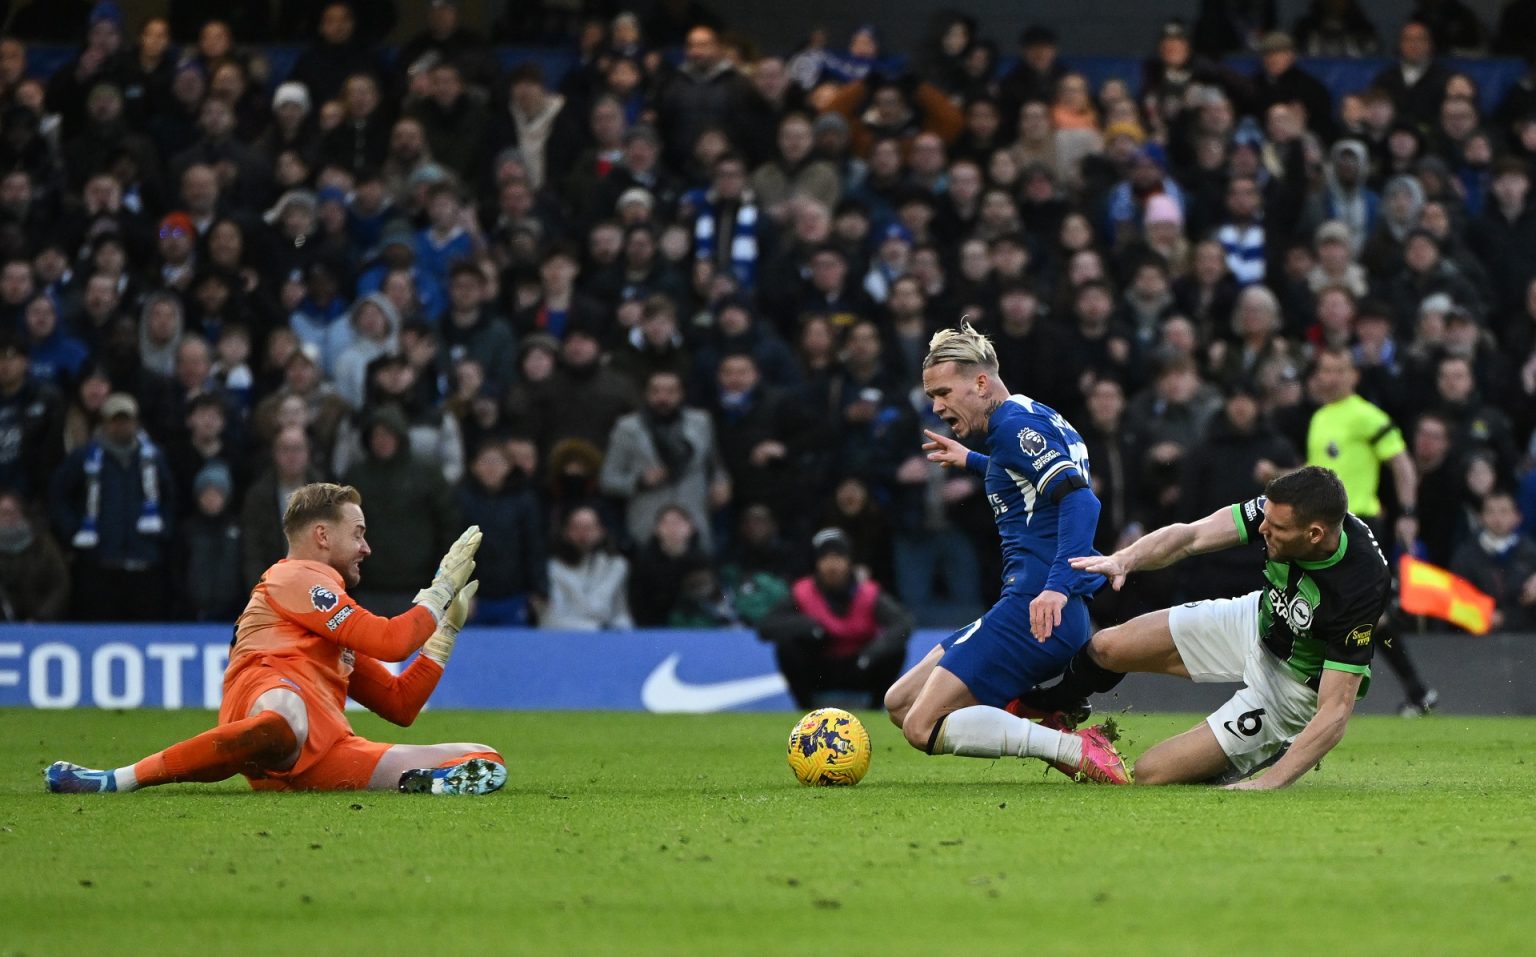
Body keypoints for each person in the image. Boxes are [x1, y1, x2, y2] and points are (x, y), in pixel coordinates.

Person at [45, 483, 505, 795]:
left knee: (484, 757)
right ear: (322, 535)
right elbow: (391, 642)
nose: (366, 548)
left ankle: (422, 784)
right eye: (358, 534)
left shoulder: (328, 622)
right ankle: (116, 779)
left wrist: (444, 635)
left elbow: (400, 704)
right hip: (270, 705)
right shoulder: (294, 577)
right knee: (287, 718)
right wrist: (438, 591)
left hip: (325, 752)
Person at [881, 323, 1130, 784]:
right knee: (899, 703)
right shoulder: (1029, 415)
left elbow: (1081, 499)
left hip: (1036, 609)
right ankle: (1038, 710)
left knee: (921, 726)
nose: (936, 407)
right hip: (1038, 607)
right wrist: (973, 461)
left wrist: (1056, 587)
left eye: (942, 392)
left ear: (980, 383)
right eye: (931, 396)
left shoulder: (1014, 428)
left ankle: (1070, 746)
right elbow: (1032, 481)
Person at [1051, 466, 1391, 789]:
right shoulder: (1281, 511)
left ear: (1314, 534)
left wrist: (1269, 783)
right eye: (1265, 518)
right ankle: (1053, 710)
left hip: (1293, 687)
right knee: (1107, 647)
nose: (1262, 529)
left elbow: (1335, 710)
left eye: (1276, 527)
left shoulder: (1362, 583)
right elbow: (1191, 536)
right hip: (1257, 619)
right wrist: (1125, 559)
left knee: (1149, 772)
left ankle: (1272, 746)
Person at [1306, 347, 1437, 715]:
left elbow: (1402, 464)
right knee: (1359, 616)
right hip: (1322, 529)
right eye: (1325, 369)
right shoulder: (1320, 417)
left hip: (1357, 525)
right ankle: (1418, 691)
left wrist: (1408, 512)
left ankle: (1415, 691)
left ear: (1354, 375)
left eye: (1339, 369)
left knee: (1360, 614)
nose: (1331, 377)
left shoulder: (1366, 415)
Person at [758, 528, 913, 709]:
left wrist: (872, 653)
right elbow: (766, 626)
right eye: (825, 559)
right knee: (786, 648)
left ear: (849, 562)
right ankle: (806, 709)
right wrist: (807, 626)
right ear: (817, 563)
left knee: (896, 651)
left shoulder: (868, 593)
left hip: (860, 667)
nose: (832, 566)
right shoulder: (801, 592)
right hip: (820, 669)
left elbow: (903, 624)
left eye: (838, 558)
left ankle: (875, 708)